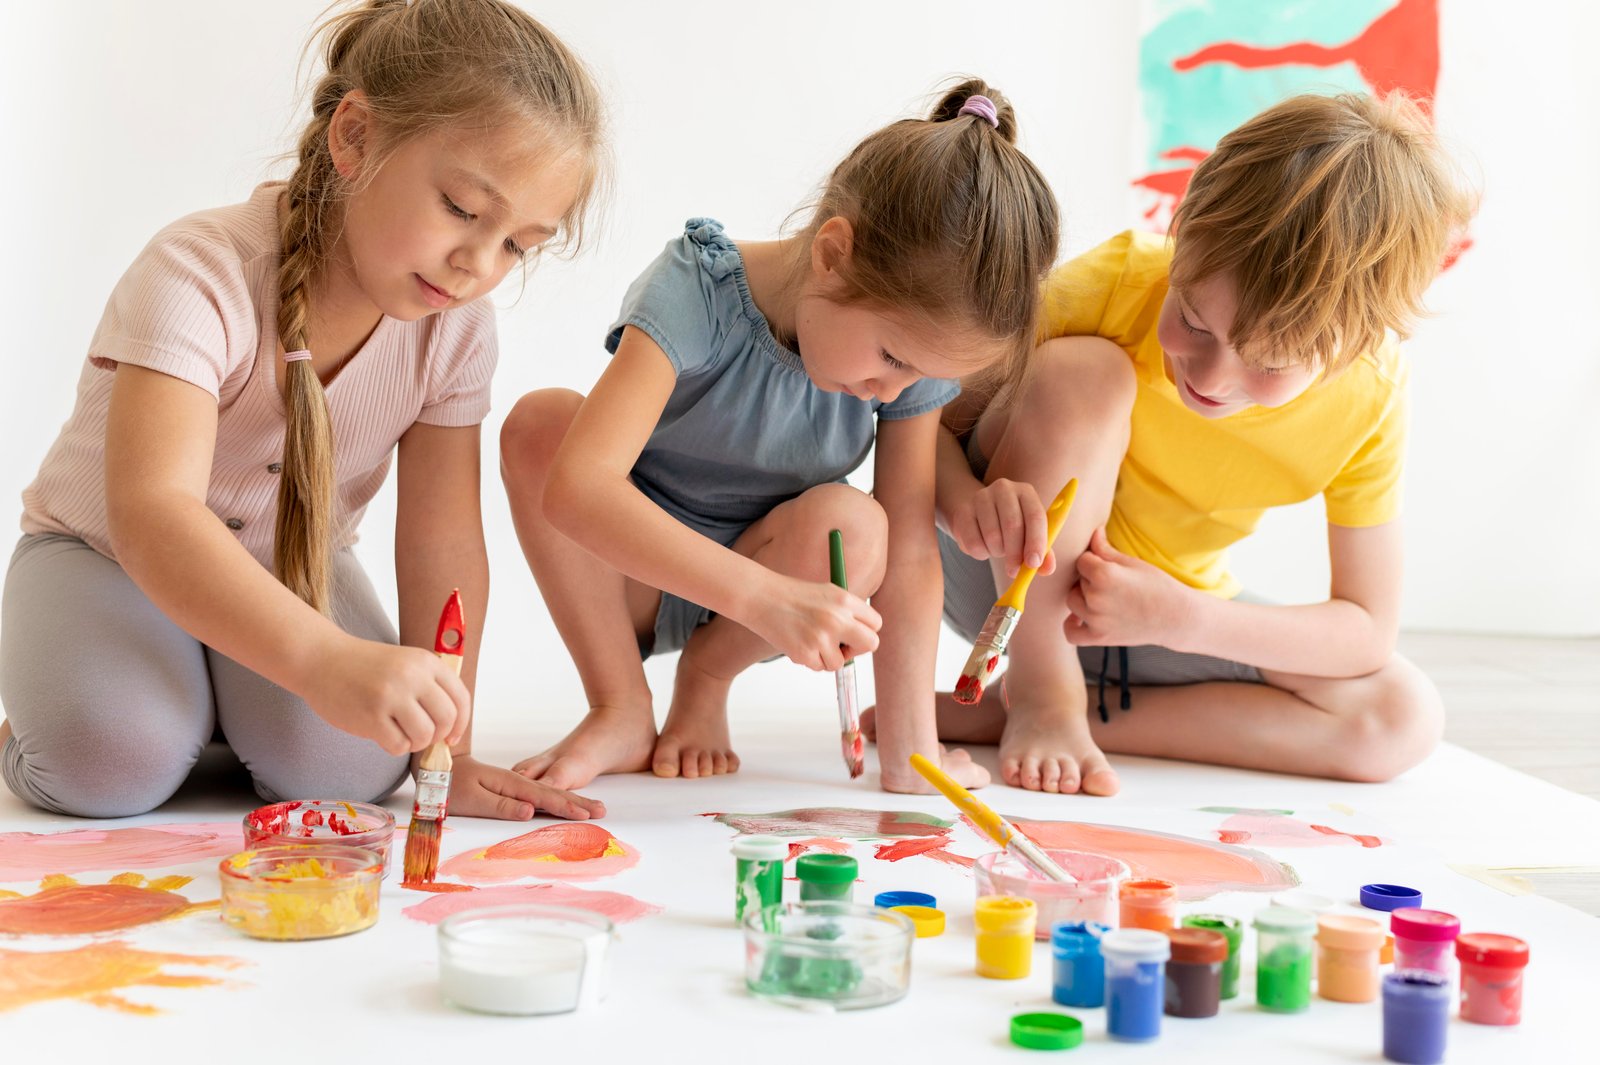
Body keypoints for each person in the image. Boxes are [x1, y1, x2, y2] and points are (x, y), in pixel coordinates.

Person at [1, 0, 608, 821]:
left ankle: (207, 712)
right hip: (104, 556)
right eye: (464, 209)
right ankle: (100, 708)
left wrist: (445, 754)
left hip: (292, 563)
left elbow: (442, 538)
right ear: (354, 137)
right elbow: (152, 514)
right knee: (108, 762)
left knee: (357, 765)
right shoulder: (197, 271)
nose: (478, 263)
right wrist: (323, 662)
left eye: (516, 245)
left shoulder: (458, 329)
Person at [501, 80, 1059, 794]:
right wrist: (761, 596)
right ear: (832, 252)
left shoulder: (901, 366)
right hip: (637, 573)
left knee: (861, 526)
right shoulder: (695, 287)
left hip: (772, 596)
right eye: (893, 358)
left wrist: (911, 748)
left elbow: (912, 552)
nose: (895, 391)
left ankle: (707, 676)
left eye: (923, 375)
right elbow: (579, 489)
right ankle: (620, 706)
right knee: (543, 426)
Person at [928, 92, 1476, 794]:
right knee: (1085, 371)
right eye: (1192, 320)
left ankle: (1054, 714)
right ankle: (1042, 691)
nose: (1212, 378)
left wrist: (1181, 617)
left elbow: (1367, 628)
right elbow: (922, 419)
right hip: (1004, 581)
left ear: (1355, 343)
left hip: (1150, 615)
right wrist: (963, 501)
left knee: (1403, 716)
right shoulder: (1119, 280)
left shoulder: (1372, 396)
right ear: (1181, 232)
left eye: (1270, 362)